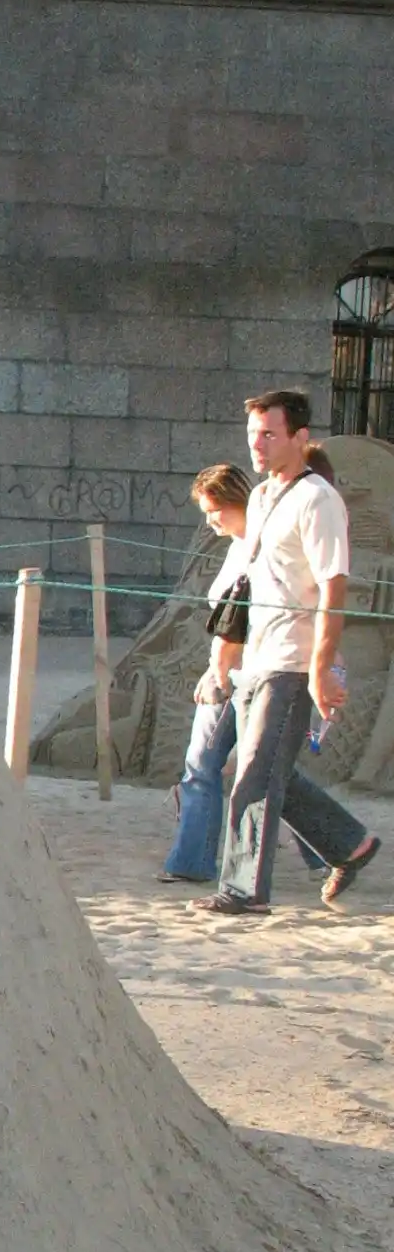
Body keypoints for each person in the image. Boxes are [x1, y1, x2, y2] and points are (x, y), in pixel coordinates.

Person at [200, 388, 379, 916]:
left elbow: (333, 587)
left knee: (255, 775)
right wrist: (228, 650)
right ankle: (350, 843)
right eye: (252, 434)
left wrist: (321, 669)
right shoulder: (259, 497)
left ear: (299, 438)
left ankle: (243, 890)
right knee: (260, 768)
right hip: (257, 656)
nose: (257, 444)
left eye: (268, 434)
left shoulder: (319, 499)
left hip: (293, 661)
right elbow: (254, 581)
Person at [159, 462, 322, 885]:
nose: (210, 521)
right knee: (266, 768)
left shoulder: (257, 548)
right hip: (245, 669)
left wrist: (218, 673)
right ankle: (337, 844)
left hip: (246, 673)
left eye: (214, 510)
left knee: (204, 764)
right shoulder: (241, 546)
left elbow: (239, 623)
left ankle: (192, 860)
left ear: (235, 502)